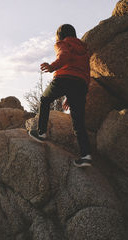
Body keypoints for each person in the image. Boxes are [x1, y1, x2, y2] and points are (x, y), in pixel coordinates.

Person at [28, 24, 92, 167]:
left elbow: (65, 55)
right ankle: (86, 155)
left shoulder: (62, 43)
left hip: (64, 78)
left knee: (45, 99)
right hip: (81, 84)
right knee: (78, 122)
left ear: (60, 35)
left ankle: (42, 133)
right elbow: (86, 73)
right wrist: (72, 96)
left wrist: (52, 67)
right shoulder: (84, 51)